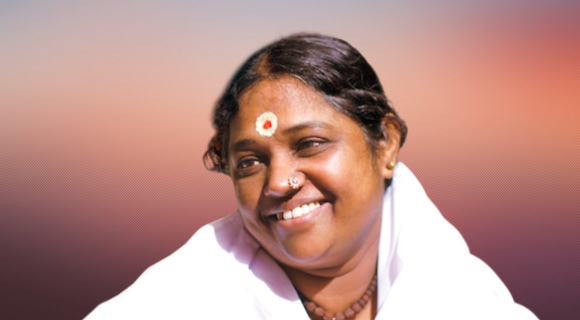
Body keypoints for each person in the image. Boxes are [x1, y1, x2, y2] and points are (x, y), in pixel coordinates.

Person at [86, 33, 537, 319]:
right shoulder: (179, 303)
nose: (279, 181)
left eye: (310, 145)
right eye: (250, 162)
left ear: (386, 143)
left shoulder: (466, 301)